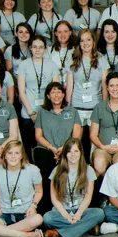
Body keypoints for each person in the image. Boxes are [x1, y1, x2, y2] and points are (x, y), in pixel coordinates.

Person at [0, 141, 45, 237]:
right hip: (5, 213)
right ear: (4, 155)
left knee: (38, 219)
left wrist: (33, 206)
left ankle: (0, 232)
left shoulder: (33, 170)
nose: (13, 157)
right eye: (10, 153)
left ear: (22, 155)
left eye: (17, 153)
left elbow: (39, 191)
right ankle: (28, 235)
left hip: (25, 213)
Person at [43, 138, 105, 237]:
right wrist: (66, 216)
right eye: (69, 151)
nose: (73, 154)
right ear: (65, 153)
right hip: (61, 212)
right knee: (47, 218)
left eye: (76, 151)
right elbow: (54, 199)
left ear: (81, 152)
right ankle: (86, 228)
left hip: (80, 210)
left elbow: (88, 196)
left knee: (99, 213)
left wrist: (78, 214)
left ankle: (59, 233)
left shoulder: (88, 170)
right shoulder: (57, 170)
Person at [34, 82, 83, 213]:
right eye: (53, 92)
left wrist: (63, 148)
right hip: (46, 149)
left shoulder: (72, 111)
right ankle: (45, 208)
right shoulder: (42, 112)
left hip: (68, 149)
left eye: (59, 92)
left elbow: (76, 134)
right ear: (48, 96)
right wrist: (52, 148)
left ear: (63, 94)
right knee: (44, 166)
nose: (56, 95)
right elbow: (38, 136)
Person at [66, 29, 110, 160]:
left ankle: (92, 166)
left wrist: (104, 105)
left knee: (94, 140)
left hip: (95, 106)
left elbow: (104, 85)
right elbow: (70, 85)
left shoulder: (101, 59)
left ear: (93, 41)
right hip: (77, 105)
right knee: (76, 138)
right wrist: (68, 105)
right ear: (78, 43)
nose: (85, 43)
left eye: (88, 40)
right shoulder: (73, 58)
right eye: (82, 40)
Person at [17, 36, 60, 161]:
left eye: (41, 47)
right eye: (34, 47)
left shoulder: (51, 65)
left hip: (47, 111)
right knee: (30, 144)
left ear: (45, 49)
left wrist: (49, 110)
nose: (37, 50)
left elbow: (56, 90)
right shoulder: (24, 65)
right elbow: (21, 91)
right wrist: (31, 113)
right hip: (28, 111)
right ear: (30, 48)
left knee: (45, 145)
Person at [49, 20, 76, 86]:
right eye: (59, 32)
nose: (62, 34)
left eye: (65, 31)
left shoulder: (76, 50)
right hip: (55, 88)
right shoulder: (49, 50)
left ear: (70, 32)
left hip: (72, 86)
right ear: (56, 33)